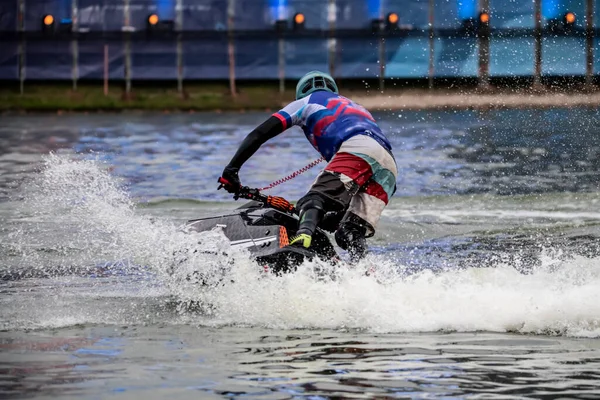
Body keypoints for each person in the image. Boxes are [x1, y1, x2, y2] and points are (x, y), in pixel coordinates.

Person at [218, 71, 397, 262]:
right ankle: (363, 272)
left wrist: (231, 170)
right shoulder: (356, 106)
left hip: (358, 149)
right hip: (388, 168)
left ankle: (301, 239)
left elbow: (259, 134)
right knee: (349, 231)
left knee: (312, 200)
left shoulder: (306, 101)